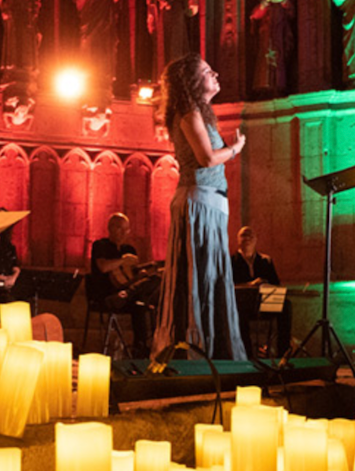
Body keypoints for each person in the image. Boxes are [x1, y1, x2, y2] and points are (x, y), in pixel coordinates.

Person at [151, 54, 247, 361]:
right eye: (207, 71)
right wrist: (235, 149)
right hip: (199, 204)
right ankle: (196, 351)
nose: (215, 73)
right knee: (199, 278)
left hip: (211, 203)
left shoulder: (201, 113)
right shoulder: (188, 111)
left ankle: (213, 349)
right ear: (192, 82)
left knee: (209, 278)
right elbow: (206, 159)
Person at [88, 213, 161, 359]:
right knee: (140, 301)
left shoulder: (130, 249)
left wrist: (140, 276)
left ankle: (140, 348)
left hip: (125, 294)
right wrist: (123, 260)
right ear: (110, 228)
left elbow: (129, 278)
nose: (124, 233)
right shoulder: (100, 245)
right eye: (120, 229)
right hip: (105, 295)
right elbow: (103, 267)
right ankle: (126, 295)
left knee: (153, 284)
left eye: (126, 230)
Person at [73, 0, 120, 105]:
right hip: (90, 17)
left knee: (106, 48)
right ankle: (90, 76)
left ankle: (104, 75)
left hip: (106, 20)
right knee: (89, 45)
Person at [231, 226, 292, 356]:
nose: (247, 238)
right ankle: (247, 354)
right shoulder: (231, 261)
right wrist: (250, 285)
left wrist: (266, 285)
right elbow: (228, 286)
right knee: (239, 315)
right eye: (243, 236)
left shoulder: (265, 260)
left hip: (265, 303)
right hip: (243, 306)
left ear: (256, 240)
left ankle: (283, 352)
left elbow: (276, 284)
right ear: (238, 240)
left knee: (286, 306)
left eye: (250, 236)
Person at [249, 0, 294, 96]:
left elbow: (292, 12)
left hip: (280, 32)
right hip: (266, 33)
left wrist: (284, 1)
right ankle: (265, 86)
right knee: (265, 59)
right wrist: (265, 3)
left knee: (279, 58)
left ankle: (279, 86)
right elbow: (254, 15)